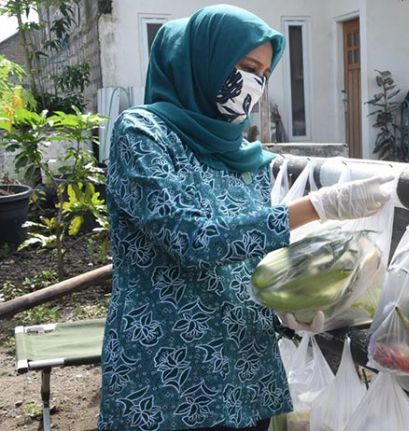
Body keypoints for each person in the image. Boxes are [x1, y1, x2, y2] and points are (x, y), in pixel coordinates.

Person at [98, 5, 391, 431]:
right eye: (247, 66)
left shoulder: (245, 156)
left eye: (264, 74)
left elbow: (250, 251)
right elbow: (193, 238)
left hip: (244, 365)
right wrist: (319, 207)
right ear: (207, 60)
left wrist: (291, 299)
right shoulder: (143, 135)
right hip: (166, 369)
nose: (254, 84)